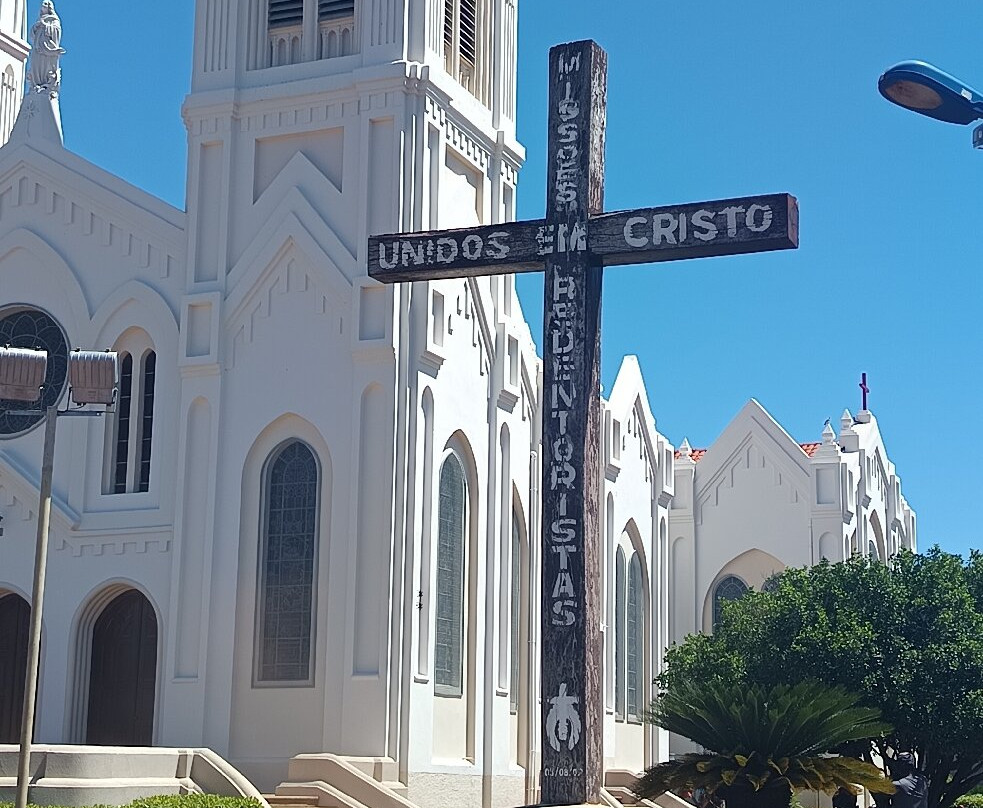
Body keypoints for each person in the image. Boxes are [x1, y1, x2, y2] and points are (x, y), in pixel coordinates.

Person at [29, 0, 66, 94]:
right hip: (37, 47)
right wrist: (36, 27)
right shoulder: (40, 19)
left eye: (45, 4)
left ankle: (46, 84)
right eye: (43, 4)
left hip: (47, 47)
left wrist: (45, 26)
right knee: (36, 64)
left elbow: (56, 30)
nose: (43, 5)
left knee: (46, 65)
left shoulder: (54, 19)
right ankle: (36, 84)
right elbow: (32, 34)